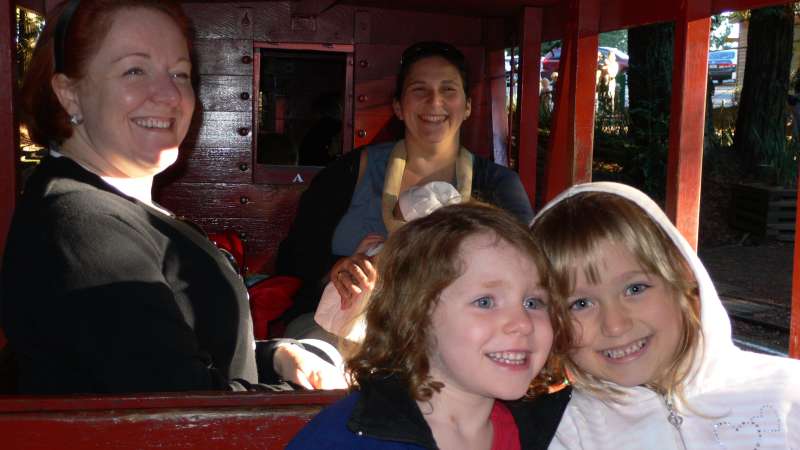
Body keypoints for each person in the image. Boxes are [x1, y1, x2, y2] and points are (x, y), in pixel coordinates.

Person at [1, 0, 343, 394]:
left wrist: (278, 357)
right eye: (134, 70)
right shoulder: (83, 228)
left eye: (180, 74)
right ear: (69, 93)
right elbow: (183, 409)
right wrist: (322, 400)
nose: (169, 95)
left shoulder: (110, 206)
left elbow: (168, 356)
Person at [276, 41, 534, 335]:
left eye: (448, 90)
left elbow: (526, 271)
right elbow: (294, 258)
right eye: (419, 90)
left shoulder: (499, 186)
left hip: (451, 336)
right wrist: (337, 269)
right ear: (398, 106)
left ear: (467, 107)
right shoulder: (348, 173)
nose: (434, 102)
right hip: (338, 328)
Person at [529, 182, 800, 449]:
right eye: (580, 304)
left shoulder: (787, 396)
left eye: (635, 289)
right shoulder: (562, 434)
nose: (615, 325)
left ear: (682, 278)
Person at [288, 202, 571, 449]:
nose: (522, 324)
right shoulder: (344, 441)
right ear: (416, 317)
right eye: (485, 302)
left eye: (534, 302)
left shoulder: (557, 435)